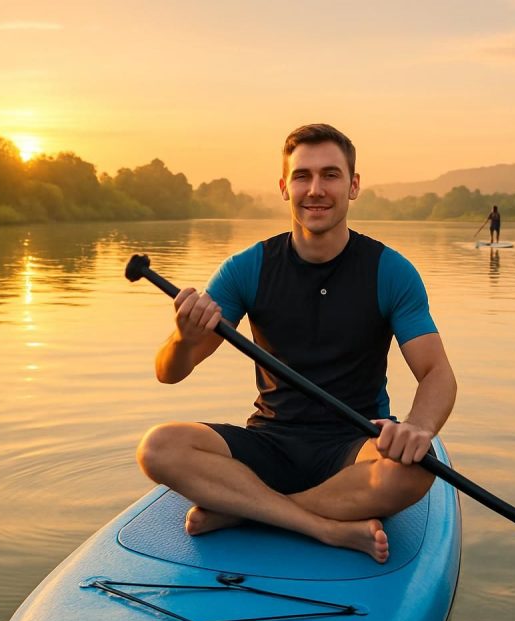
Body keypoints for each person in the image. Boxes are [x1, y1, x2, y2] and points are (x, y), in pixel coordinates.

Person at [135, 123, 457, 564]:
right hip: (270, 440)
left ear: (353, 186)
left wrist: (417, 428)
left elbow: (436, 372)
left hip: (355, 442)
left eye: (330, 175)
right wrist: (183, 339)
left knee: (415, 469)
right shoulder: (247, 268)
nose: (316, 189)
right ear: (285, 187)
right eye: (302, 176)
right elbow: (169, 373)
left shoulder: (390, 271)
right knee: (158, 447)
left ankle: (245, 510)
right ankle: (322, 525)